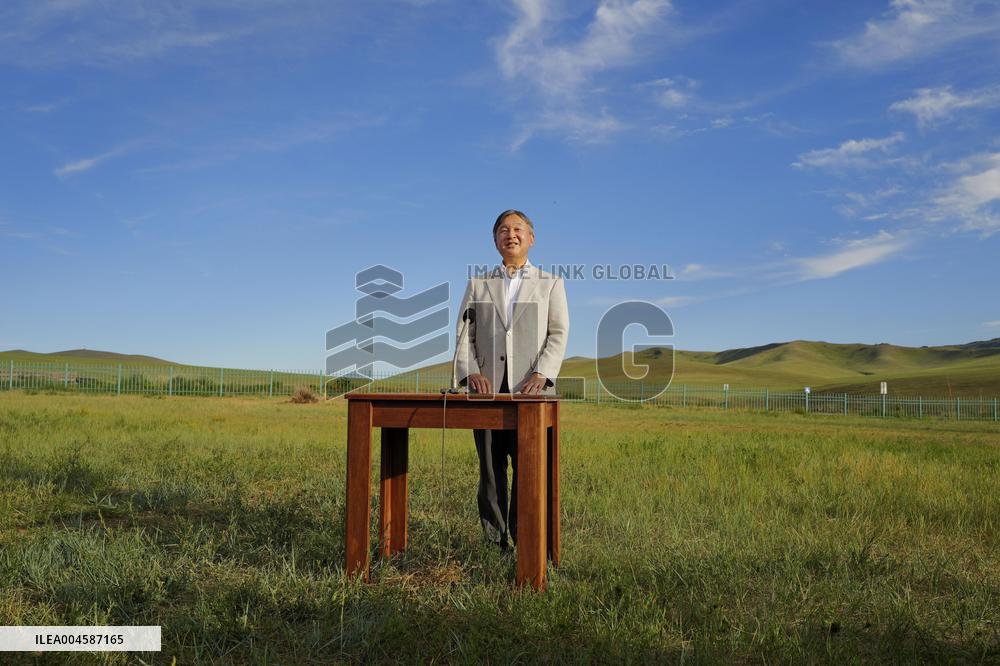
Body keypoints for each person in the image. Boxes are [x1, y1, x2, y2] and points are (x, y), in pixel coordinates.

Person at [455, 209, 569, 548]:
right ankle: (495, 542)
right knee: (490, 471)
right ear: (495, 241)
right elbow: (465, 332)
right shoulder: (478, 283)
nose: (511, 234)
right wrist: (471, 372)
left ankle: (528, 538)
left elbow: (558, 333)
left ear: (531, 238)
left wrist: (543, 374)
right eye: (503, 230)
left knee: (530, 468)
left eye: (518, 229)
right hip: (486, 392)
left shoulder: (551, 283)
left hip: (530, 393)